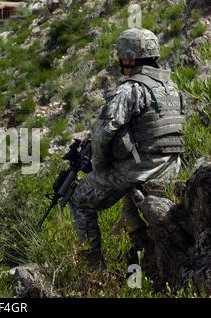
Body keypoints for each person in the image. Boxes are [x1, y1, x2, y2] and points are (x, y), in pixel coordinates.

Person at [68, 28, 186, 270]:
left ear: (129, 58)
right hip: (171, 167)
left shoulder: (129, 89)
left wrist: (99, 167)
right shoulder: (172, 88)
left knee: (80, 201)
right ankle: (132, 225)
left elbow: (102, 134)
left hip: (140, 169)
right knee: (128, 192)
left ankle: (92, 269)